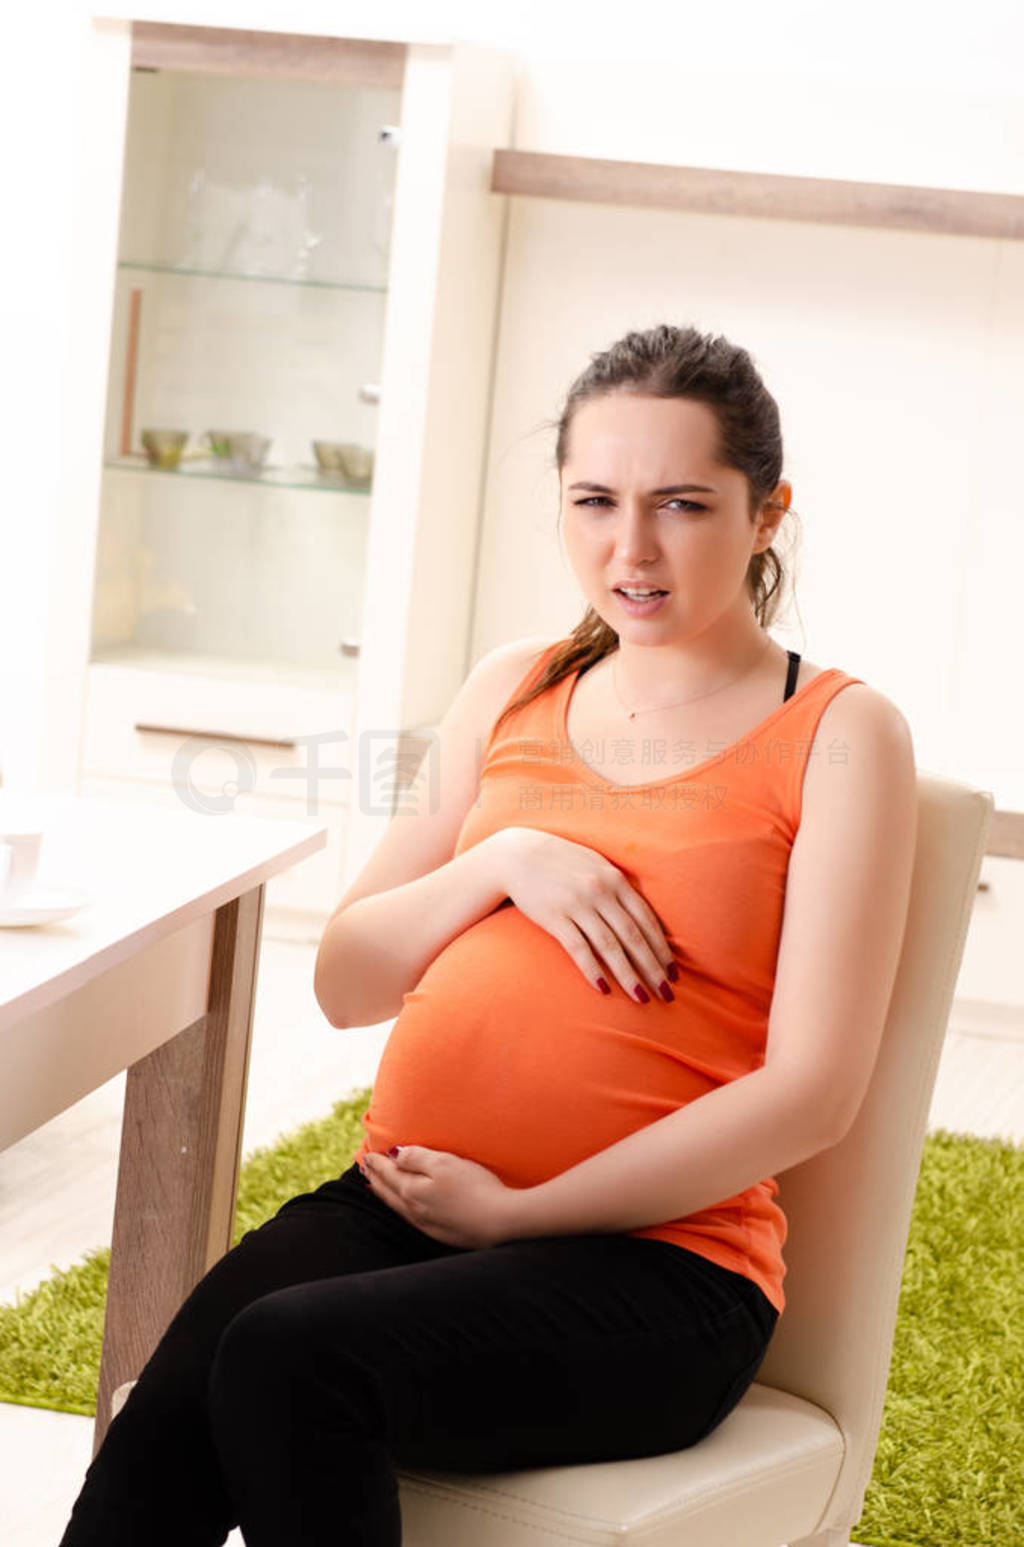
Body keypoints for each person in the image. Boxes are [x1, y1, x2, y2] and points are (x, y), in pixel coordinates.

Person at [58, 323, 917, 1547]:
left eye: (682, 503)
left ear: (766, 511)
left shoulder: (839, 731)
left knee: (290, 1359)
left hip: (658, 1271)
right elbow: (348, 980)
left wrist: (524, 1211)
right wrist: (504, 861)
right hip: (398, 1205)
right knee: (161, 1443)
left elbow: (812, 1093)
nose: (631, 548)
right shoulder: (514, 684)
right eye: (594, 500)